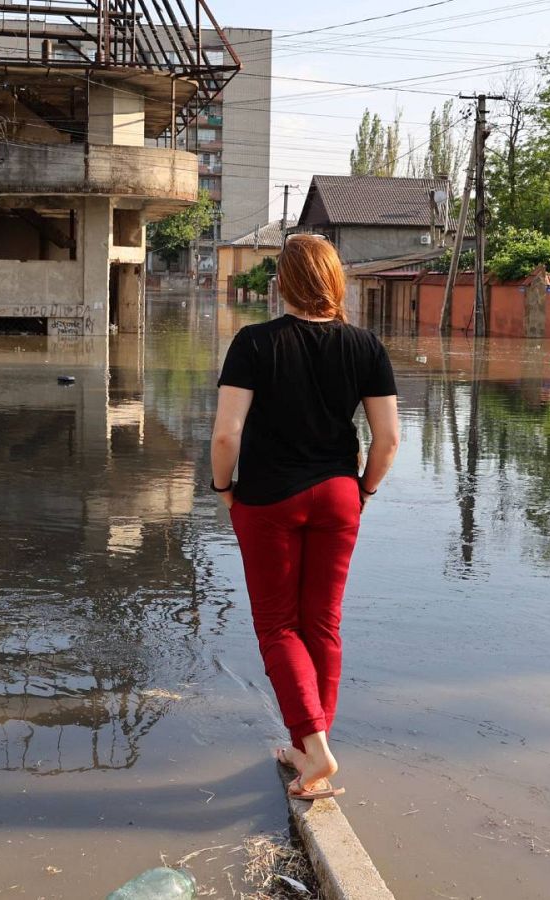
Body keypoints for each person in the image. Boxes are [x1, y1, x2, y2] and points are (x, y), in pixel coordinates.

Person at [209, 233, 401, 801]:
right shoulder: (365, 345)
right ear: (335, 280)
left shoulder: (254, 342)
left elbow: (226, 434)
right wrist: (364, 490)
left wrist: (222, 487)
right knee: (322, 624)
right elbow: (388, 439)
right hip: (338, 494)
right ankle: (312, 747)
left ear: (282, 284)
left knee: (277, 626)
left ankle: (312, 747)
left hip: (268, 498)